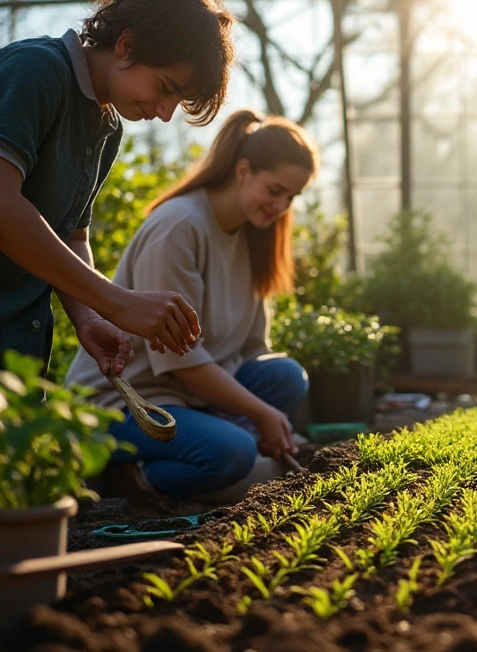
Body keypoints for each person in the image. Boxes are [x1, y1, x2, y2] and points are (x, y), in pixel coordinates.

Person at [66, 110, 319, 496]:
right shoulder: (181, 226)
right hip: (128, 401)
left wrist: (266, 413)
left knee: (285, 376)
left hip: (195, 396)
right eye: (275, 190)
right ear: (243, 170)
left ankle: (218, 445)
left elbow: (253, 348)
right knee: (233, 452)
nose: (281, 206)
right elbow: (179, 361)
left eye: (292, 197)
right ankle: (132, 477)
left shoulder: (254, 234)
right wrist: (262, 414)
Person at [0, 0, 236, 377]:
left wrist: (89, 317)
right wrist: (118, 301)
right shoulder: (35, 71)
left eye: (176, 104)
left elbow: (72, 237)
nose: (164, 114)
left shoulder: (106, 126)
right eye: (165, 89)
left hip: (19, 349)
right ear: (126, 45)